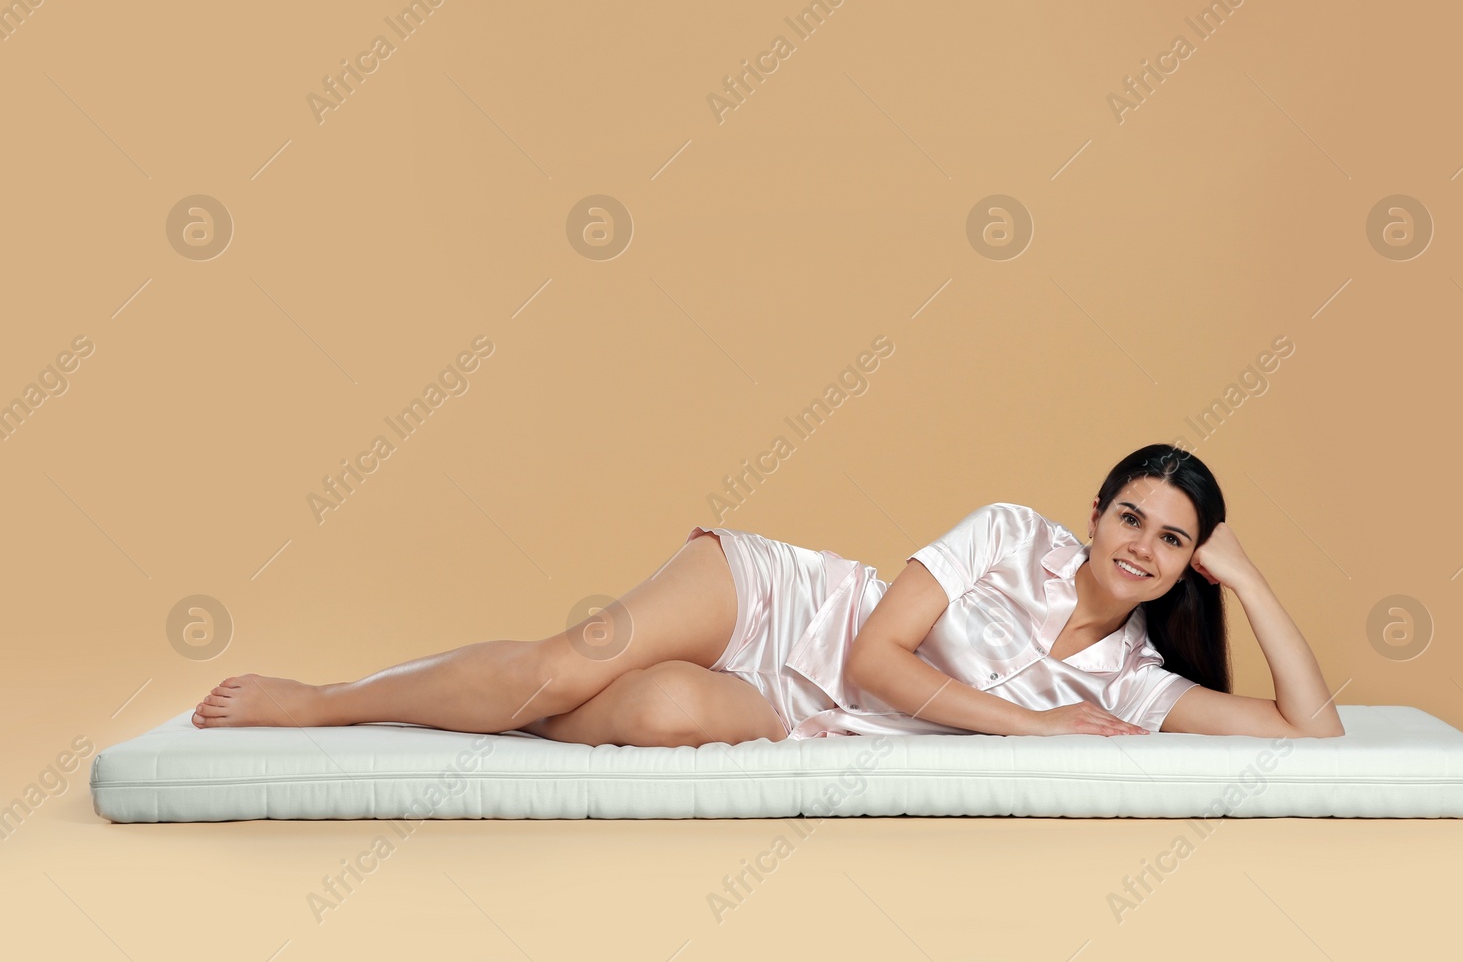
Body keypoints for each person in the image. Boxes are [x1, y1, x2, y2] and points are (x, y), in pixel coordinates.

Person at [191, 444, 1344, 745]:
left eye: (1173, 539)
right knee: (559, 669)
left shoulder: (1136, 684)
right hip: (779, 604)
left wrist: (1244, 572)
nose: (1140, 543)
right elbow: (877, 658)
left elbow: (1314, 729)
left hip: (810, 713)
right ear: (1095, 516)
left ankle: (469, 700)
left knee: (655, 716)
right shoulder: (1008, 532)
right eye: (1129, 515)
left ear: (1186, 561)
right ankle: (333, 699)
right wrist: (1033, 723)